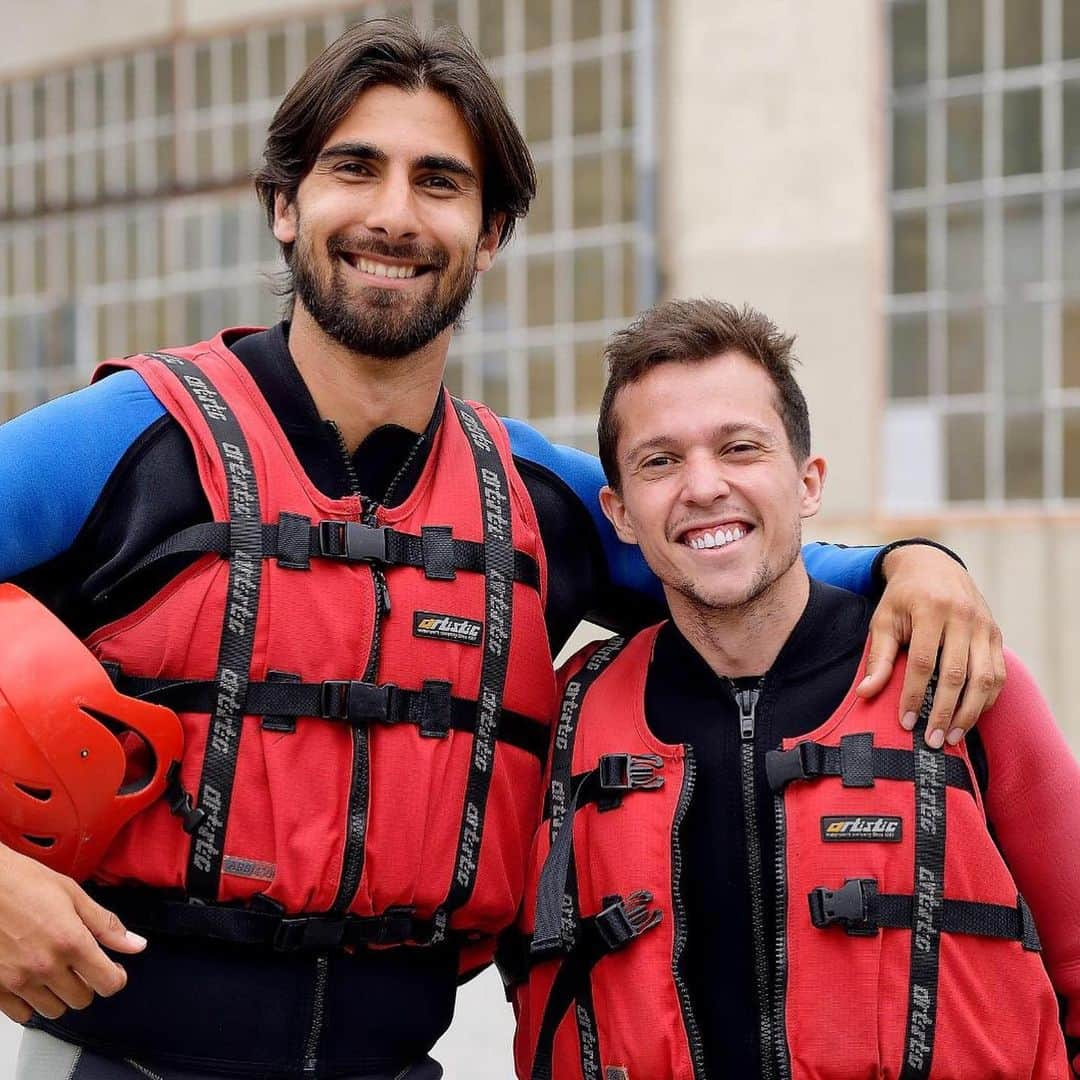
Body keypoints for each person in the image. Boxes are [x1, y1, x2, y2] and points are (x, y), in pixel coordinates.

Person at [0, 22, 1004, 1080]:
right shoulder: (125, 440)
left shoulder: (535, 500)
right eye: (355, 169)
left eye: (440, 181)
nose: (394, 214)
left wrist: (917, 563)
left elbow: (744, 561)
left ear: (488, 235)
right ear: (286, 206)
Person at [507, 299, 1080, 1079]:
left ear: (807, 482)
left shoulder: (962, 679)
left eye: (740, 448)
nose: (704, 487)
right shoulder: (564, 720)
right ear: (621, 515)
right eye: (659, 461)